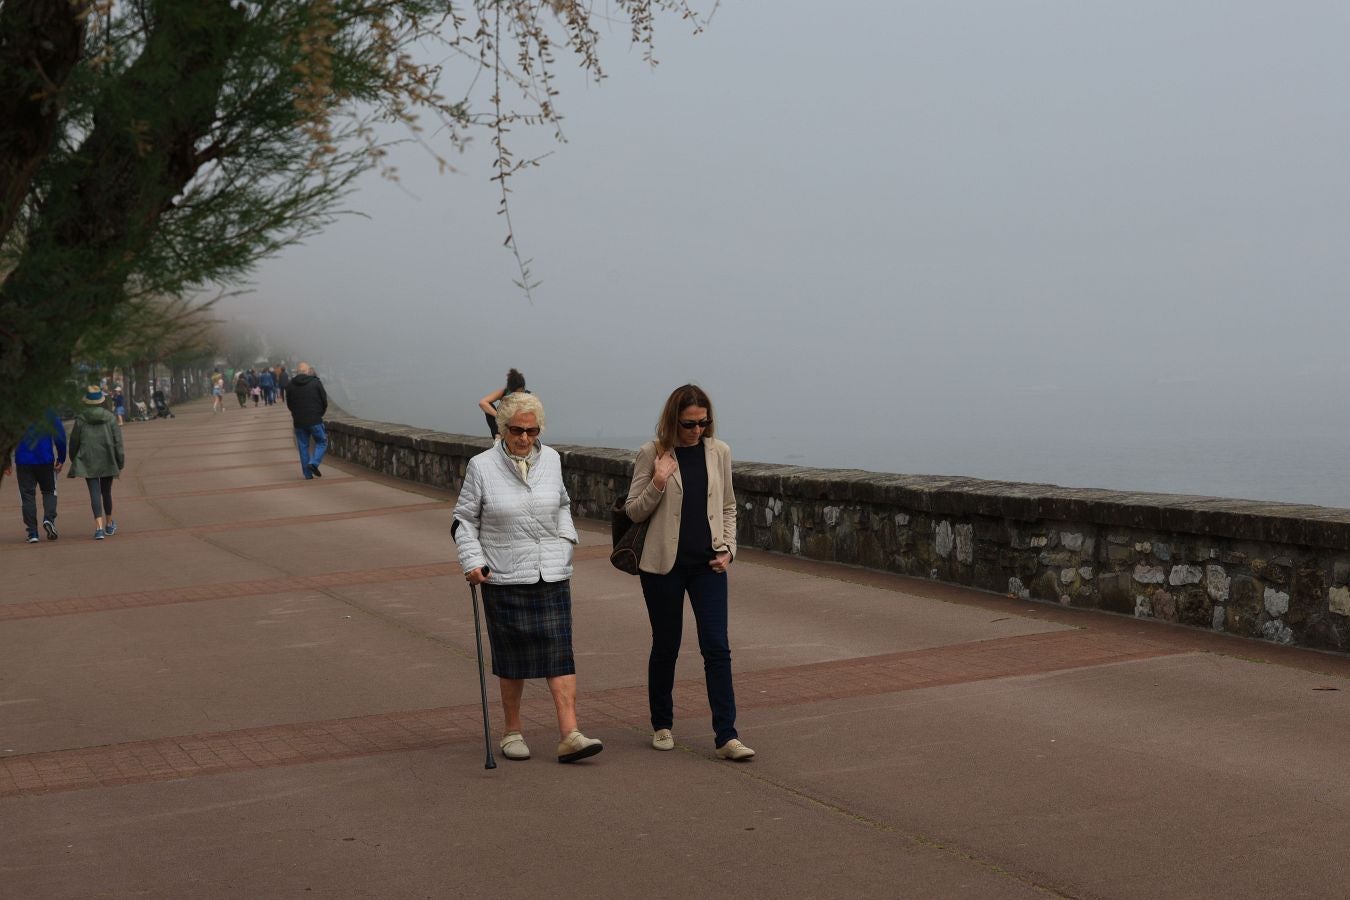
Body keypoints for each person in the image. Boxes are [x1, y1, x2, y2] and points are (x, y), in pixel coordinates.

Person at [452, 392, 602, 764]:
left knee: (559, 653)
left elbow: (563, 504)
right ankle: (512, 731)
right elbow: (463, 521)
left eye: (531, 431)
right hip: (503, 575)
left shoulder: (551, 459)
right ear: (503, 429)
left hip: (551, 572)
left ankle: (570, 734)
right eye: (517, 430)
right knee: (512, 657)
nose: (524, 438)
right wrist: (472, 561)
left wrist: (566, 541)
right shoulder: (481, 466)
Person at [624, 384, 753, 760]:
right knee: (667, 646)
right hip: (663, 568)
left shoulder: (719, 452)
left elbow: (728, 506)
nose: (697, 431)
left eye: (703, 423)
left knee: (717, 647)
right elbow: (633, 510)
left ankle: (727, 736)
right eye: (688, 424)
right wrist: (659, 480)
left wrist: (729, 548)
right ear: (672, 421)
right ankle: (662, 724)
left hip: (708, 566)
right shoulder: (652, 454)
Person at [68, 386, 125, 540]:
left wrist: (74, 459)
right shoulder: (110, 417)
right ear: (101, 401)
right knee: (106, 492)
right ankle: (109, 523)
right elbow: (118, 442)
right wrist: (120, 461)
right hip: (107, 458)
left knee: (94, 493)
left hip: (88, 459)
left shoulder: (81, 419)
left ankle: (98, 528)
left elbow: (74, 441)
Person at [5, 409, 66, 542]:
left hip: (23, 461)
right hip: (45, 459)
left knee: (27, 496)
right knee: (49, 491)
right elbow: (60, 436)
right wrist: (61, 458)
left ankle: (32, 532)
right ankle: (49, 519)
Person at [286, 361, 328, 479]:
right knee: (322, 442)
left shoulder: (290, 385)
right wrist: (320, 413)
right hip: (314, 419)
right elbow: (324, 401)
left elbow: (289, 404)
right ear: (308, 371)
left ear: (297, 372)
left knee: (303, 446)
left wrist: (296, 414)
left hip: (299, 421)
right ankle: (313, 463)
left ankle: (307, 474)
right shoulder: (316, 383)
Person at [478, 368, 527, 442]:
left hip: (519, 425)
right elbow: (483, 403)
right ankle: (498, 438)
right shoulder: (504, 392)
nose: (516, 395)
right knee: (489, 408)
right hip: (504, 423)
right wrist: (499, 416)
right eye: (513, 393)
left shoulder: (528, 396)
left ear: (523, 389)